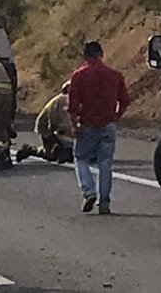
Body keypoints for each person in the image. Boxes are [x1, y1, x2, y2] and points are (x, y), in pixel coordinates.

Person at [68, 41, 129, 215]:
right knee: (105, 164)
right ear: (101, 54)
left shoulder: (79, 75)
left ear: (85, 56)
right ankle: (105, 203)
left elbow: (73, 105)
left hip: (87, 123)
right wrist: (116, 117)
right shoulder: (115, 75)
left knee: (80, 158)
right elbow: (124, 102)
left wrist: (74, 125)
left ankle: (89, 192)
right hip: (108, 124)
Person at [16, 81, 74, 164]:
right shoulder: (58, 102)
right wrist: (52, 141)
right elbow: (49, 123)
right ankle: (31, 150)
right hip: (50, 131)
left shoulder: (82, 101)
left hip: (69, 134)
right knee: (58, 155)